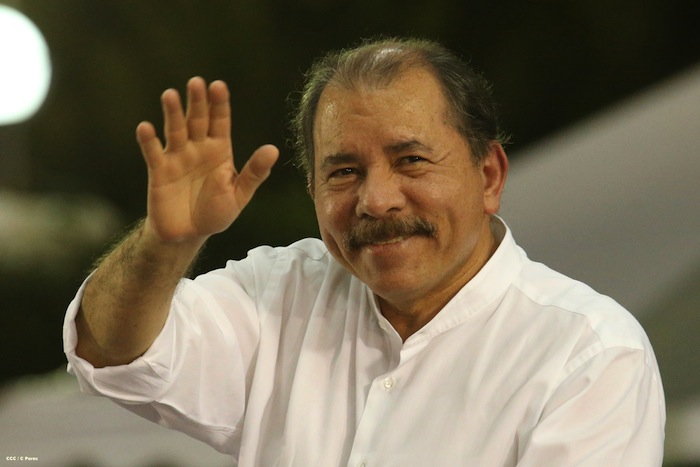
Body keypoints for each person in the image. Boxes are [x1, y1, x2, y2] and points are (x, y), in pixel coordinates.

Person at [63, 37, 665, 466]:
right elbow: (113, 353)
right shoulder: (281, 293)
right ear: (313, 190)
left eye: (411, 161)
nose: (376, 201)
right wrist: (167, 243)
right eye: (344, 171)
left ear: (488, 176)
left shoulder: (587, 354)